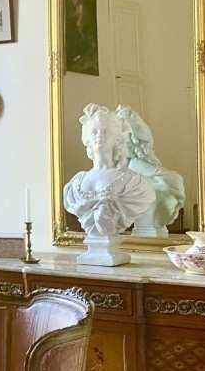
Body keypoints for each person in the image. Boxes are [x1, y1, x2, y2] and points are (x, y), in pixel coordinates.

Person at [63, 103, 156, 265]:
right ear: (87, 138)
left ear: (117, 138)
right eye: (94, 131)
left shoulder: (136, 184)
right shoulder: (74, 185)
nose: (99, 135)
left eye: (106, 131)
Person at [116, 105, 186, 237]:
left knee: (172, 180)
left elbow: (166, 176)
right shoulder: (130, 165)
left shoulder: (137, 164)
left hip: (147, 187)